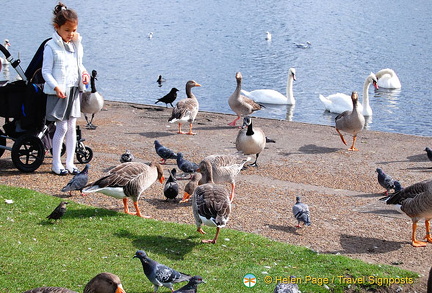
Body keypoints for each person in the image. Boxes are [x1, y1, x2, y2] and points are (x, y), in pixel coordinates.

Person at [42, 2, 89, 175]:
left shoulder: (75, 45)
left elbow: (78, 65)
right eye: (67, 30)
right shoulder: (51, 46)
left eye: (74, 30)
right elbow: (46, 72)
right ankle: (56, 163)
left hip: (74, 90)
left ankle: (70, 163)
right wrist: (55, 86)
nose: (71, 34)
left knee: (72, 127)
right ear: (57, 27)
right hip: (59, 92)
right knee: (61, 127)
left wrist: (84, 74)